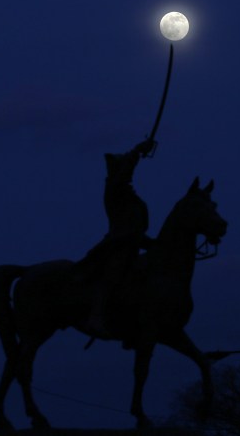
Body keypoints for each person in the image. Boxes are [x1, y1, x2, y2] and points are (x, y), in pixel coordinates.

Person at [81, 139, 155, 336]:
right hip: (117, 246)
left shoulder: (133, 199)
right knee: (112, 275)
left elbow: (136, 231)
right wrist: (137, 151)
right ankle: (95, 317)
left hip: (133, 245)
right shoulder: (114, 190)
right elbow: (124, 175)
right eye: (122, 166)